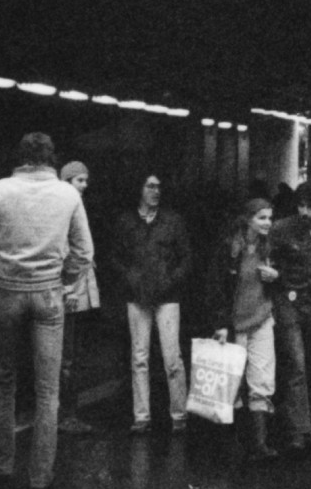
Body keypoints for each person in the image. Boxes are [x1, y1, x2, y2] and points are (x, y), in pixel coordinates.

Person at [0, 133, 93, 489]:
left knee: (4, 380)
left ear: (20, 158)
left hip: (7, 293)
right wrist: (63, 278)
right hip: (49, 296)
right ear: (52, 159)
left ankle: (2, 466)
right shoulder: (68, 195)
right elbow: (84, 252)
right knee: (47, 389)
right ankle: (40, 476)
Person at [110, 173, 192, 436]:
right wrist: (130, 277)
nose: (156, 191)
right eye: (150, 186)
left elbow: (186, 258)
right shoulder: (126, 222)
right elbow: (115, 257)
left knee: (172, 358)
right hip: (138, 295)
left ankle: (179, 415)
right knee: (140, 357)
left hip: (167, 295)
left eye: (159, 187)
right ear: (140, 190)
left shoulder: (173, 221)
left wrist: (170, 280)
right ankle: (142, 416)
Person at [209, 196, 280, 462]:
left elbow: (278, 280)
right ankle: (234, 444)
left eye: (270, 218)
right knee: (232, 382)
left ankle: (259, 444)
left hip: (262, 319)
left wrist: (277, 277)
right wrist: (220, 324)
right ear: (248, 220)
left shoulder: (270, 247)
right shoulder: (230, 248)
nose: (268, 223)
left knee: (261, 380)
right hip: (235, 324)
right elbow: (215, 286)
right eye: (262, 218)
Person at [269, 181, 311, 452]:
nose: (305, 211)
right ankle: (300, 430)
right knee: (297, 363)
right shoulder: (281, 229)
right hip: (288, 298)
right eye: (301, 205)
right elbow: (269, 259)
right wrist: (274, 276)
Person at [57, 161, 100, 436]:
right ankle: (65, 415)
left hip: (76, 290)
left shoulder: (73, 206)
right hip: (70, 292)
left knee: (69, 356)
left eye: (85, 180)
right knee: (67, 358)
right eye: (79, 180)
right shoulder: (67, 209)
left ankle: (64, 413)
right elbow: (63, 249)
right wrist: (69, 290)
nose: (84, 185)